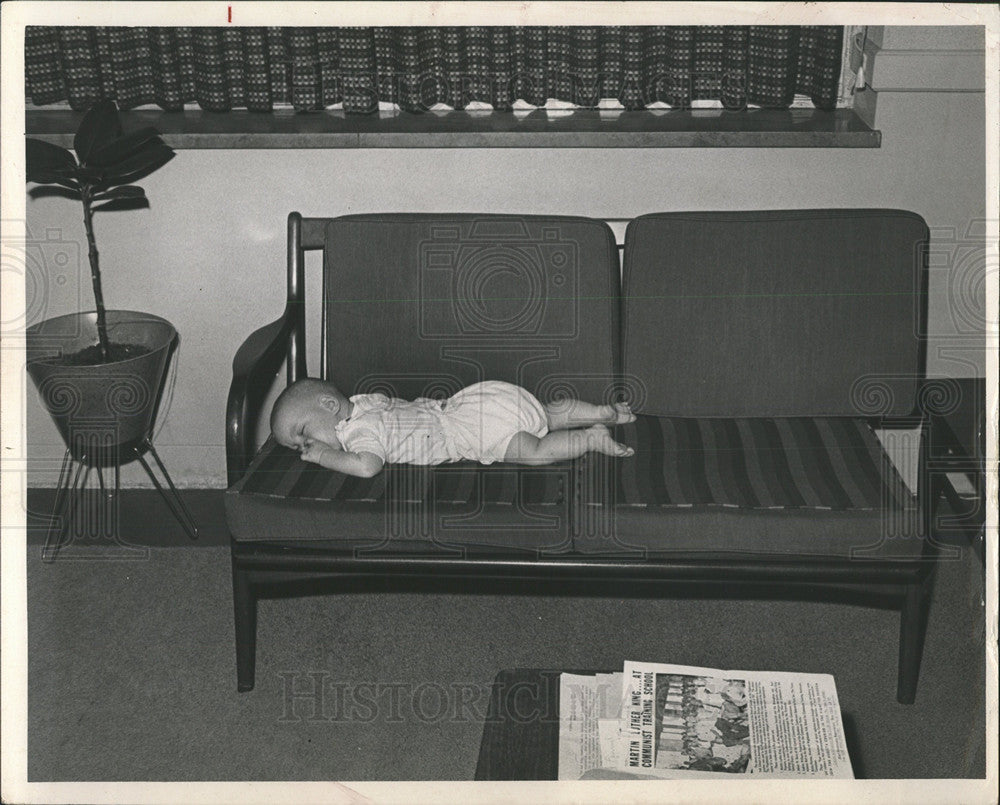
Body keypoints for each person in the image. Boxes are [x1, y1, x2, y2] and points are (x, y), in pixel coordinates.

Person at [270, 378, 635, 477]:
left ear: (331, 407)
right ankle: (602, 412)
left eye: (303, 432)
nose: (304, 445)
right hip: (473, 401)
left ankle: (590, 438)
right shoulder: (366, 401)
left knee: (536, 451)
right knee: (545, 414)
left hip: (466, 432)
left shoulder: (356, 433)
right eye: (297, 445)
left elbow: (367, 465)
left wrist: (324, 456)